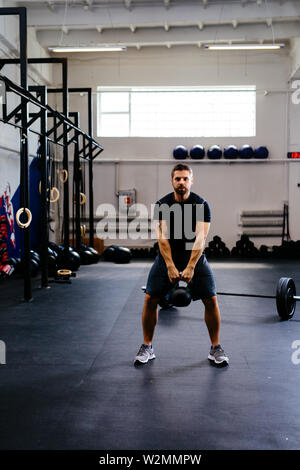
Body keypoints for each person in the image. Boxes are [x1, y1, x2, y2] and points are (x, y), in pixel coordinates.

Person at [134, 163, 229, 367]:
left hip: (194, 258)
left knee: (211, 299)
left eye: (185, 178)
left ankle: (216, 348)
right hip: (167, 257)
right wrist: (169, 265)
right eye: (178, 179)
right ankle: (147, 347)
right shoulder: (162, 204)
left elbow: (200, 239)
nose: (181, 182)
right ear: (172, 181)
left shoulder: (201, 205)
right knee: (150, 298)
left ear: (191, 181)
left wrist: (191, 266)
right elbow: (162, 239)